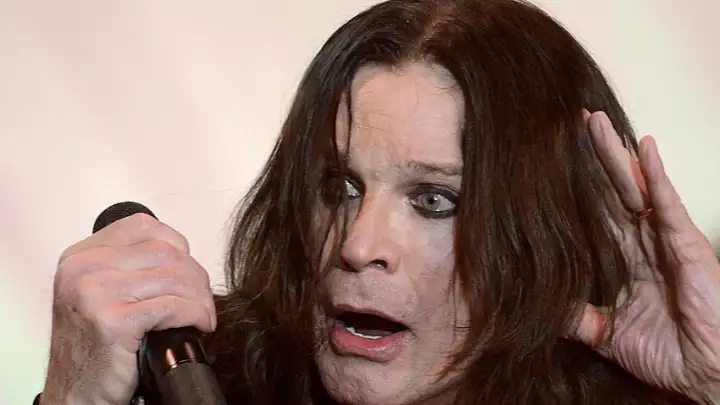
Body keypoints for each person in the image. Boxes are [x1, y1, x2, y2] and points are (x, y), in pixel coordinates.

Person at [37, 0, 720, 404]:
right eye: (339, 187)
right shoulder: (192, 379)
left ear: (544, 235)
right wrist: (72, 398)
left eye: (434, 199)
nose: (360, 244)